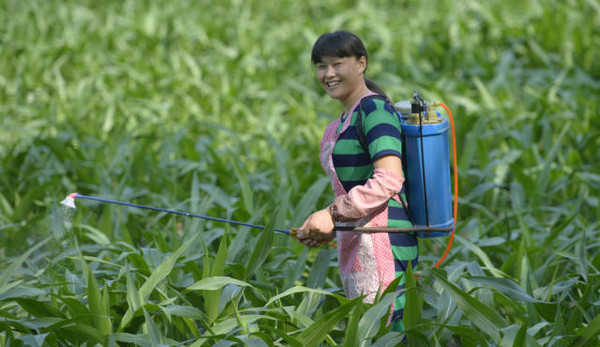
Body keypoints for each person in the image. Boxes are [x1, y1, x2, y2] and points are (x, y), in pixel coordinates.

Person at [295, 30, 418, 332]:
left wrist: (332, 215)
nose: (328, 73)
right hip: (360, 241)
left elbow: (389, 179)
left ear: (362, 63)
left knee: (390, 330)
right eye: (321, 66)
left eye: (338, 63)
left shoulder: (374, 111)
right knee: (368, 331)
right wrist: (330, 226)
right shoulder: (339, 124)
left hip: (386, 241)